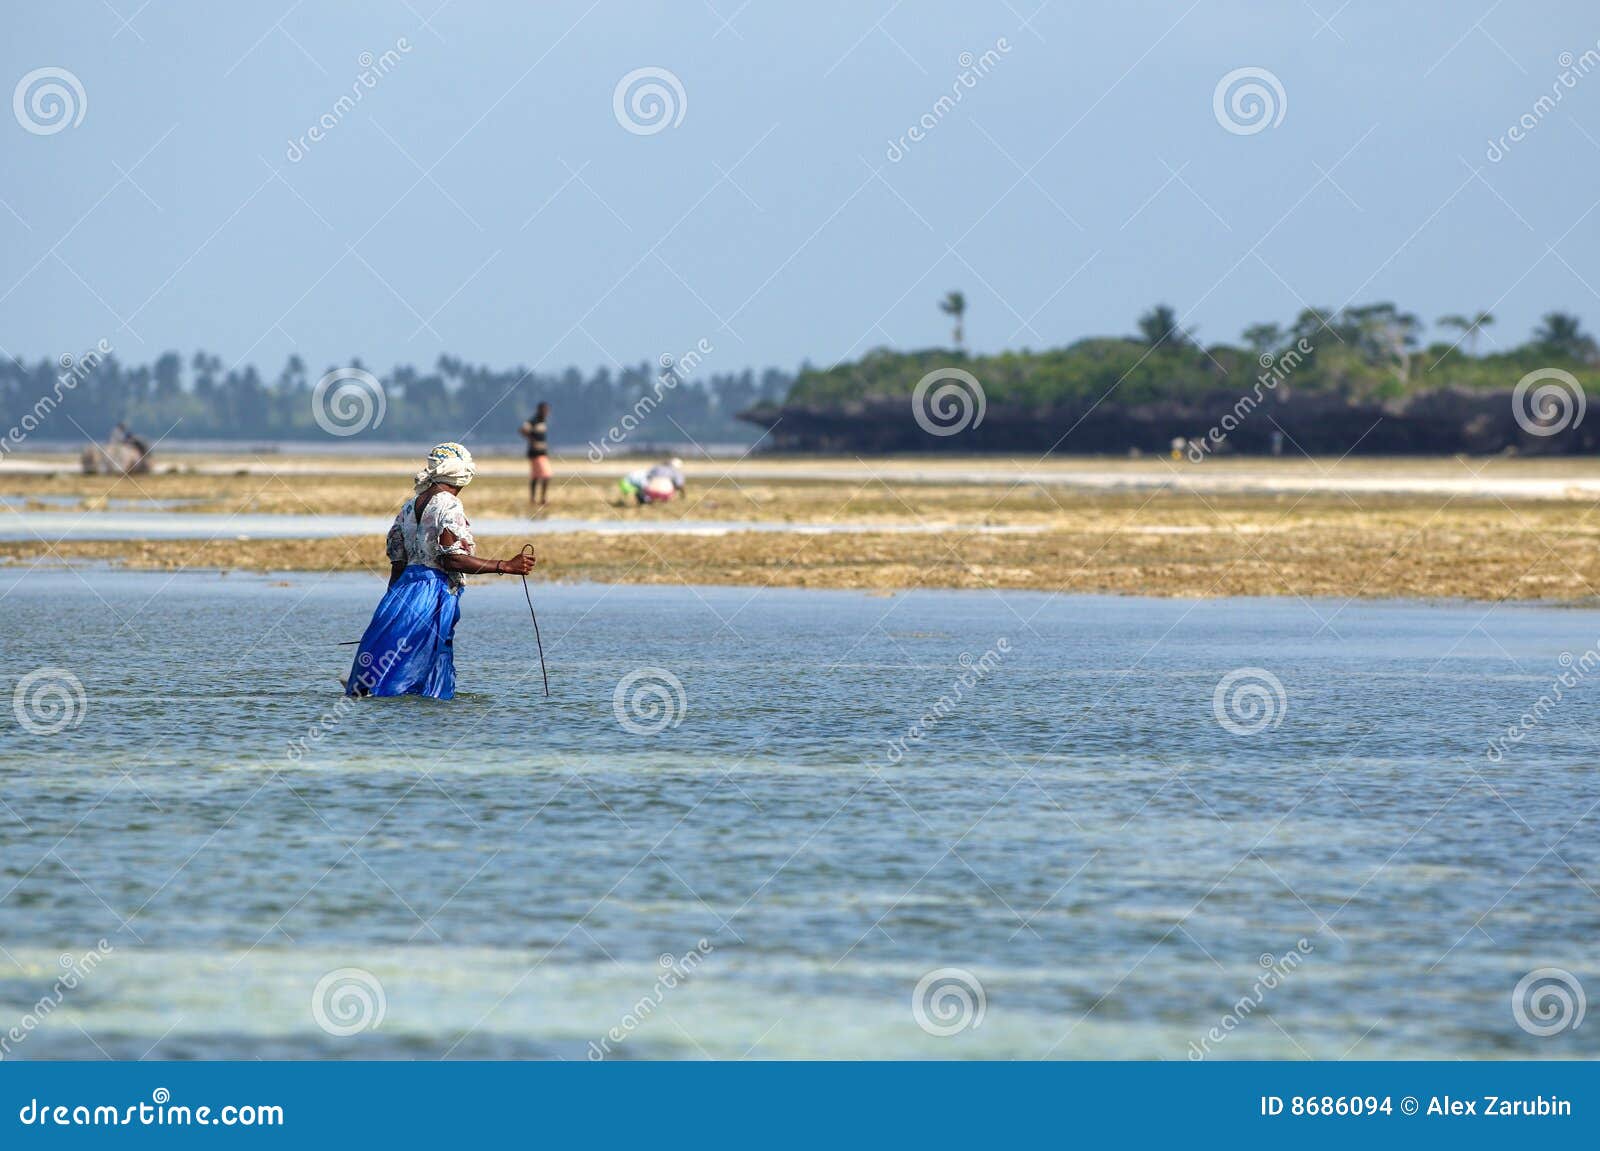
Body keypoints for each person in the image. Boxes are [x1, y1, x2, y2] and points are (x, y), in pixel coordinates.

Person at [345, 442, 536, 700]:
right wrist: (506, 566)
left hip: (400, 593)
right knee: (417, 664)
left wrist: (390, 611)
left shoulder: (409, 507)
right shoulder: (448, 505)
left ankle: (378, 694)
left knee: (395, 652)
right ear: (459, 473)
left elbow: (398, 564)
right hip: (432, 592)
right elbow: (452, 561)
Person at [519, 402, 552, 506]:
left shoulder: (543, 422)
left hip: (542, 453)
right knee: (546, 475)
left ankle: (533, 499)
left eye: (547, 410)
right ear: (539, 410)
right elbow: (522, 430)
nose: (546, 412)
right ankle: (542, 499)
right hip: (536, 453)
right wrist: (532, 440)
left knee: (536, 476)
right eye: (544, 410)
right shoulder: (533, 420)